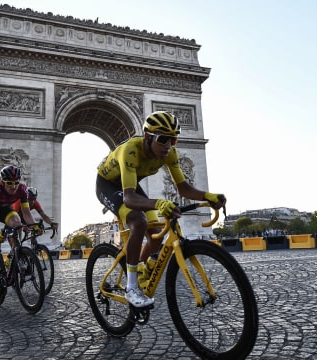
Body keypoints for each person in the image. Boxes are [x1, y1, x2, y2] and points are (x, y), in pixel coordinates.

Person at [95, 111, 226, 308]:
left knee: (155, 236)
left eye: (173, 140)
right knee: (139, 222)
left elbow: (183, 188)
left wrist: (208, 196)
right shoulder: (130, 150)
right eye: (163, 139)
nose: (168, 146)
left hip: (130, 184)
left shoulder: (169, 153)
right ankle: (131, 288)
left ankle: (139, 267)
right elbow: (129, 198)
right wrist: (159, 203)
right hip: (108, 185)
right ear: (148, 137)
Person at [0, 165, 40, 302]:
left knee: (17, 222)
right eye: (9, 183)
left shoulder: (23, 189)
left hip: (5, 209)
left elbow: (26, 213)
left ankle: (16, 252)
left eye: (16, 182)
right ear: (2, 182)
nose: (13, 186)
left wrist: (34, 227)